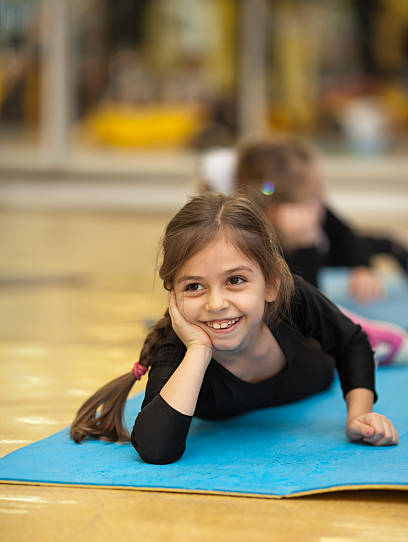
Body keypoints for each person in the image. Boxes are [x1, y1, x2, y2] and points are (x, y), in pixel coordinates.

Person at [70, 193, 398, 464]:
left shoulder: (290, 297)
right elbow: (156, 449)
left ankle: (377, 334)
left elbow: (351, 342)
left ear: (270, 283)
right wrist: (198, 350)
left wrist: (359, 414)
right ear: (173, 294)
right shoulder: (175, 352)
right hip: (276, 346)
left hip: (317, 361)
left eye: (235, 280)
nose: (216, 303)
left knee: (350, 330)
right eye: (194, 287)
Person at [199, 141, 408, 302]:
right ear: (275, 211)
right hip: (301, 265)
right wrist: (305, 245)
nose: (321, 197)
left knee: (388, 243)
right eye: (312, 196)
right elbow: (307, 309)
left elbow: (344, 233)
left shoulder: (313, 207)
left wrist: (362, 266)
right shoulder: (254, 245)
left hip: (322, 250)